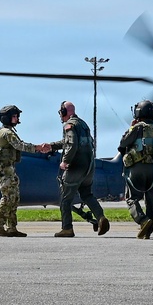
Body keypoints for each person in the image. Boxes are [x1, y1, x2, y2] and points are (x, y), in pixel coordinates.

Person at [45, 101, 109, 237]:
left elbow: (72, 143)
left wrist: (65, 161)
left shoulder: (68, 125)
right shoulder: (83, 124)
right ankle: (101, 218)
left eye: (60, 112)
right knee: (87, 194)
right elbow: (74, 142)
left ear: (64, 112)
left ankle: (67, 228)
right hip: (89, 167)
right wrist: (51, 146)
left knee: (65, 198)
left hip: (75, 167)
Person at [0, 105, 45, 237]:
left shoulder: (3, 131)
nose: (17, 118)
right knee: (8, 197)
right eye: (14, 116)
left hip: (7, 169)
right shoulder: (7, 133)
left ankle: (11, 227)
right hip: (4, 170)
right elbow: (20, 145)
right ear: (7, 118)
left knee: (14, 198)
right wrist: (37, 148)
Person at [118, 100, 153, 239]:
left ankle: (142, 220)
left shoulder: (138, 128)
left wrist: (130, 128)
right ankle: (148, 232)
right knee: (151, 202)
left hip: (137, 169)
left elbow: (123, 143)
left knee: (131, 198)